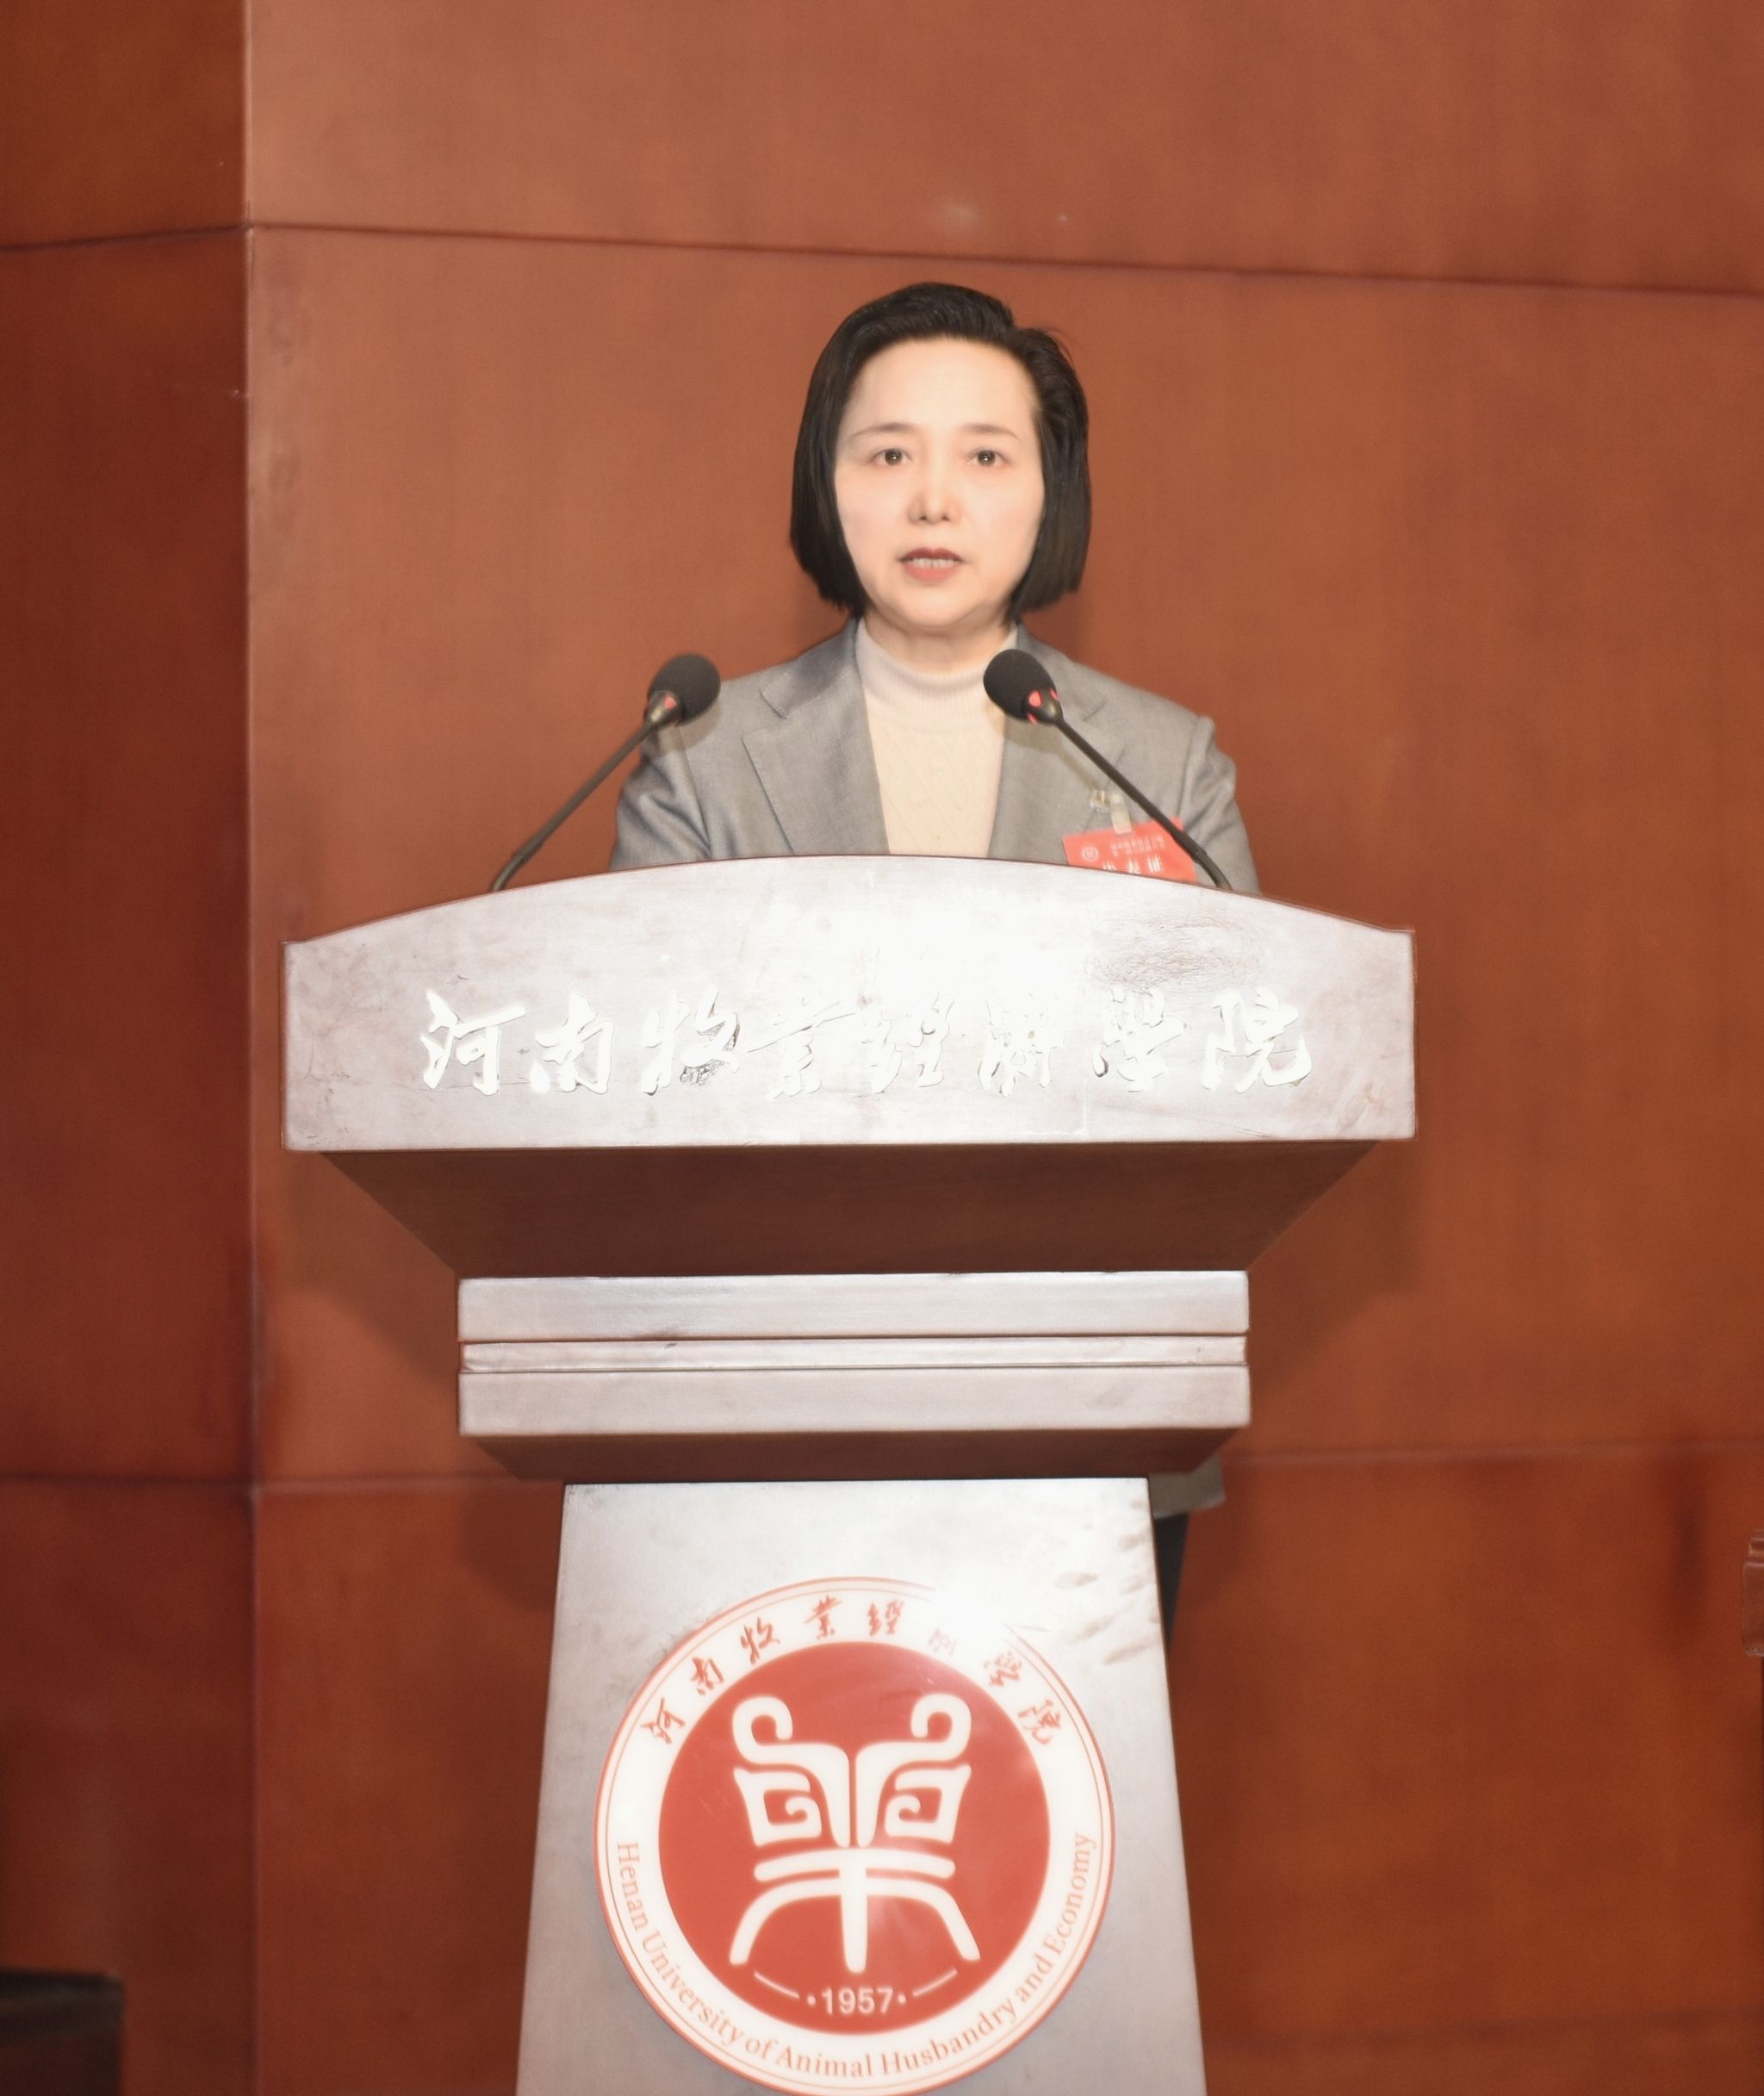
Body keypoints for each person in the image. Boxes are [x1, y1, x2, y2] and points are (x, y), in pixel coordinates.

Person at [611, 282, 1258, 1639]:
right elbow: (650, 1099)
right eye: (889, 452)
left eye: (986, 455)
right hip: (778, 1405)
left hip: (1090, 1400)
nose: (933, 499)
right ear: (827, 483)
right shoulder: (704, 760)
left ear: (1048, 493)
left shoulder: (1161, 762)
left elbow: (1247, 1068)